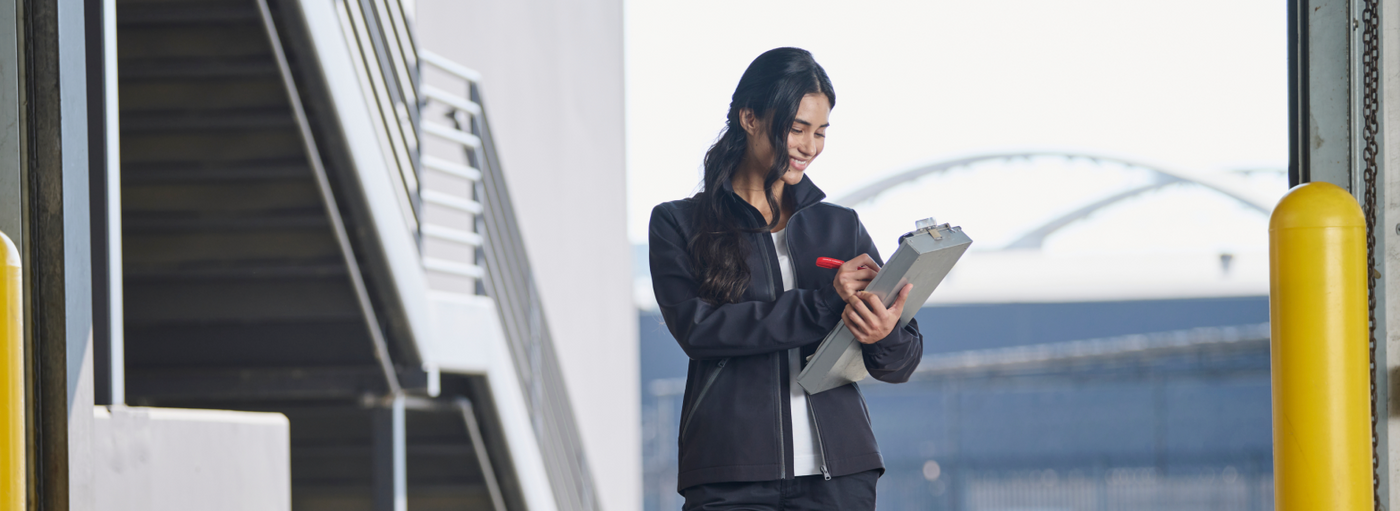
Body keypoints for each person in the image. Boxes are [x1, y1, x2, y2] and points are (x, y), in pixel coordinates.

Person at [648, 47, 923, 510]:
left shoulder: (840, 226)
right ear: (749, 118)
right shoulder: (679, 224)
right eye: (797, 129)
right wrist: (823, 305)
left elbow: (901, 361)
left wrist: (884, 335)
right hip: (730, 475)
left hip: (840, 476)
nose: (809, 146)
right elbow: (700, 330)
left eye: (820, 132)